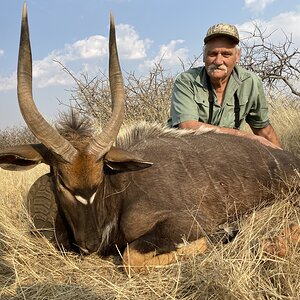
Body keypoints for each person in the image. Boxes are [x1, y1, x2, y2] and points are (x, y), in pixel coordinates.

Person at [168, 23, 281, 148]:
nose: (218, 61)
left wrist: (285, 160)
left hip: (226, 151)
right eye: (212, 54)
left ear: (237, 56)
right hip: (189, 149)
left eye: (226, 54)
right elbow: (188, 127)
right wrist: (246, 137)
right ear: (204, 56)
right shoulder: (186, 80)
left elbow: (263, 130)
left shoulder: (251, 82)